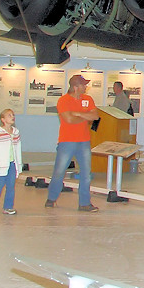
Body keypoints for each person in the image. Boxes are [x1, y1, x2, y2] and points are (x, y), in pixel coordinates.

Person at [45, 74, 99, 212]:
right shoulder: (63, 100)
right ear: (76, 87)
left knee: (86, 174)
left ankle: (84, 203)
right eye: (83, 85)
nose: (86, 87)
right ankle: (51, 199)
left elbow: (95, 116)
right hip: (67, 141)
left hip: (84, 141)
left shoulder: (88, 99)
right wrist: (84, 116)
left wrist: (78, 114)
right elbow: (68, 120)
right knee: (59, 172)